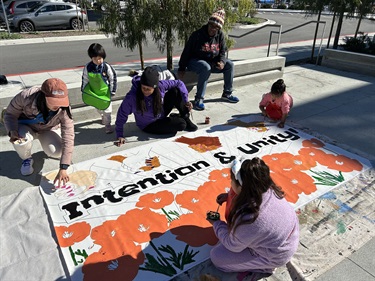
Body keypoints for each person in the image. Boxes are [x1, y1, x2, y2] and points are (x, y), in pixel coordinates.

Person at [207, 157, 299, 275]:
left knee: (217, 257)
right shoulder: (268, 189)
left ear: (241, 188)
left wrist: (216, 223)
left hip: (274, 255)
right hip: (285, 241)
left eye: (232, 180)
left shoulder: (249, 218)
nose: (230, 183)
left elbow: (233, 245)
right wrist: (229, 197)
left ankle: (265, 267)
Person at [3, 78, 74, 187]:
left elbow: (69, 135)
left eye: (61, 101)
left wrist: (64, 167)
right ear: (43, 95)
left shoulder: (64, 109)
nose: (58, 106)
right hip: (25, 126)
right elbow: (9, 114)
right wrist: (12, 131)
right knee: (21, 142)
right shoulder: (25, 96)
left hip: (47, 128)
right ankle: (27, 158)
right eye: (54, 102)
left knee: (57, 151)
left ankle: (47, 147)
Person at [115, 66, 198, 147]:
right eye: (143, 88)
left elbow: (179, 83)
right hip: (149, 124)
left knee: (175, 91)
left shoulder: (160, 85)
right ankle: (178, 119)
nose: (145, 91)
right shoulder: (132, 97)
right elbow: (121, 114)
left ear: (155, 87)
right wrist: (120, 135)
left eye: (148, 89)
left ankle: (185, 117)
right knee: (181, 124)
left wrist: (186, 100)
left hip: (160, 112)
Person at [178, 8, 239, 111]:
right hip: (195, 61)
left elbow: (223, 51)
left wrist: (222, 62)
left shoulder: (220, 35)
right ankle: (199, 99)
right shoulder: (197, 35)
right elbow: (187, 51)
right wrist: (182, 67)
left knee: (230, 65)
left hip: (212, 62)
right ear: (208, 23)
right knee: (205, 67)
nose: (212, 29)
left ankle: (227, 94)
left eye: (215, 27)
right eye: (211, 25)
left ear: (219, 28)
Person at [81, 43, 117, 134]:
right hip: (95, 93)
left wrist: (113, 90)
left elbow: (113, 78)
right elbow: (85, 78)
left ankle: (108, 125)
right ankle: (102, 116)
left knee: (107, 110)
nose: (98, 61)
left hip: (105, 93)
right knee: (98, 108)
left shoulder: (106, 67)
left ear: (103, 57)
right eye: (95, 59)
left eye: (100, 59)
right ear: (91, 58)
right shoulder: (88, 67)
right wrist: (83, 89)